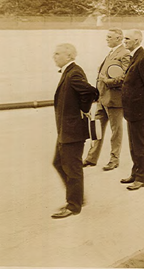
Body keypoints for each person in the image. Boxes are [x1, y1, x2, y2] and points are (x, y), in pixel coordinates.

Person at [51, 43, 98, 218]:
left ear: (69, 56)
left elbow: (91, 92)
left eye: (57, 53)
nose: (54, 56)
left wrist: (83, 110)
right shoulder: (69, 72)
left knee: (72, 167)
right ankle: (77, 196)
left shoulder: (74, 72)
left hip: (72, 130)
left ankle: (73, 205)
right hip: (66, 130)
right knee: (58, 162)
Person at [84, 28, 130, 171]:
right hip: (102, 98)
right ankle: (91, 158)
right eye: (107, 37)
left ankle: (114, 160)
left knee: (116, 131)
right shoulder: (111, 53)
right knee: (96, 128)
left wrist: (107, 81)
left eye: (110, 37)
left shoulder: (125, 54)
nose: (107, 39)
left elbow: (125, 77)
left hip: (115, 100)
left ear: (119, 38)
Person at [120, 29, 144, 191]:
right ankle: (135, 173)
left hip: (139, 110)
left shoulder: (143, 59)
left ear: (137, 41)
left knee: (140, 144)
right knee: (133, 144)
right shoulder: (136, 56)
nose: (124, 41)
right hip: (132, 109)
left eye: (127, 39)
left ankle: (141, 178)